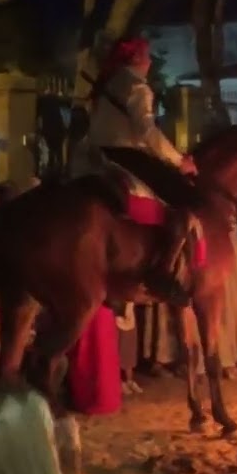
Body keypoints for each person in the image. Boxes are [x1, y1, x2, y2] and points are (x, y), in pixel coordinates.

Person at [76, 34, 198, 307]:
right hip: (127, 156)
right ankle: (163, 272)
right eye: (147, 55)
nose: (151, 61)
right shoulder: (137, 87)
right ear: (135, 58)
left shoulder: (109, 84)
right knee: (185, 201)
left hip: (95, 155)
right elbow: (147, 132)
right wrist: (180, 162)